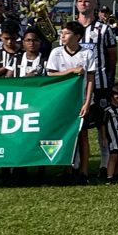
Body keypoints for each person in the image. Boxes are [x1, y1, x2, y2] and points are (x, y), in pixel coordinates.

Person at [46, 19, 99, 185]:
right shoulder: (56, 52)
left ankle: (83, 171)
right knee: (65, 135)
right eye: (62, 32)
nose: (63, 35)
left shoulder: (87, 53)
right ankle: (67, 169)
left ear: (77, 36)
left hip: (81, 101)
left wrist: (87, 102)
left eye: (67, 33)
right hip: (62, 101)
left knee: (83, 136)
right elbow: (50, 74)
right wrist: (70, 71)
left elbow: (90, 79)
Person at [73, 0, 118, 180]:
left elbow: (112, 58)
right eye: (81, 1)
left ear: (94, 5)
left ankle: (103, 163)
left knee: (102, 126)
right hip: (75, 87)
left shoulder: (104, 29)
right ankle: (75, 164)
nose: (84, 4)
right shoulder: (70, 27)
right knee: (77, 127)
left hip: (99, 85)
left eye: (87, 1)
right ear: (77, 4)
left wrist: (107, 81)